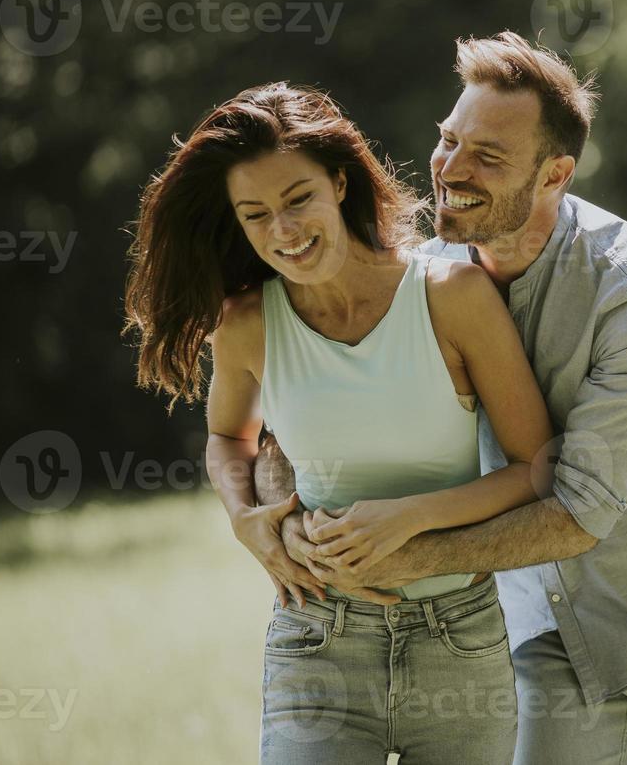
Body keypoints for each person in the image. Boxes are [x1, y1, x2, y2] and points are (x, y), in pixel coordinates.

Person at [257, 32, 627, 764]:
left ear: (554, 175)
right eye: (449, 140)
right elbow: (294, 412)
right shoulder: (427, 277)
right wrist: (274, 521)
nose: (450, 169)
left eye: (488, 156)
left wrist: (410, 558)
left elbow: (578, 511)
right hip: (550, 622)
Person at [124, 82, 555, 764]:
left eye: (298, 200)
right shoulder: (247, 324)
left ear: (341, 183)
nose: (284, 231)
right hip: (317, 635)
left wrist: (409, 517)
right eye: (256, 214)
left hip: (460, 641)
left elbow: (537, 467)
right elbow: (227, 439)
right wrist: (246, 519)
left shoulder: (452, 297)